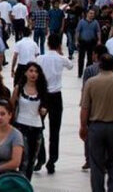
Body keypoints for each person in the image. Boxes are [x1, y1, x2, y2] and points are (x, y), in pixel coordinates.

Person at [80, 53, 113, 192]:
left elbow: (85, 108)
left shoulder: (91, 82)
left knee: (96, 164)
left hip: (96, 127)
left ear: (100, 65)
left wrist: (83, 127)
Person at [36, 32, 72, 174]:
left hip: (43, 96)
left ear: (47, 43)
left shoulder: (40, 59)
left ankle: (41, 157)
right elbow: (70, 66)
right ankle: (52, 160)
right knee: (55, 130)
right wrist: (61, 53)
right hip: (56, 96)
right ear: (58, 45)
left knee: (39, 127)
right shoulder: (61, 58)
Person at [10, 61, 48, 180]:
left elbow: (45, 107)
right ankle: (21, 184)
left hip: (37, 127)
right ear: (25, 73)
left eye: (36, 71)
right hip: (21, 126)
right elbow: (11, 106)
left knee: (32, 159)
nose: (33, 74)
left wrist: (44, 110)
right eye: (31, 71)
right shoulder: (19, 88)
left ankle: (27, 183)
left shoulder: (42, 90)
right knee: (24, 158)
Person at [76, 8, 101, 77]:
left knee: (90, 58)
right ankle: (80, 73)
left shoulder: (95, 22)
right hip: (83, 42)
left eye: (93, 14)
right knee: (81, 58)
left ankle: (88, 72)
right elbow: (78, 31)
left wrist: (99, 40)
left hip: (91, 42)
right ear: (87, 13)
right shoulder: (81, 22)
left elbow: (98, 31)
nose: (91, 15)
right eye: (90, 13)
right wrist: (76, 40)